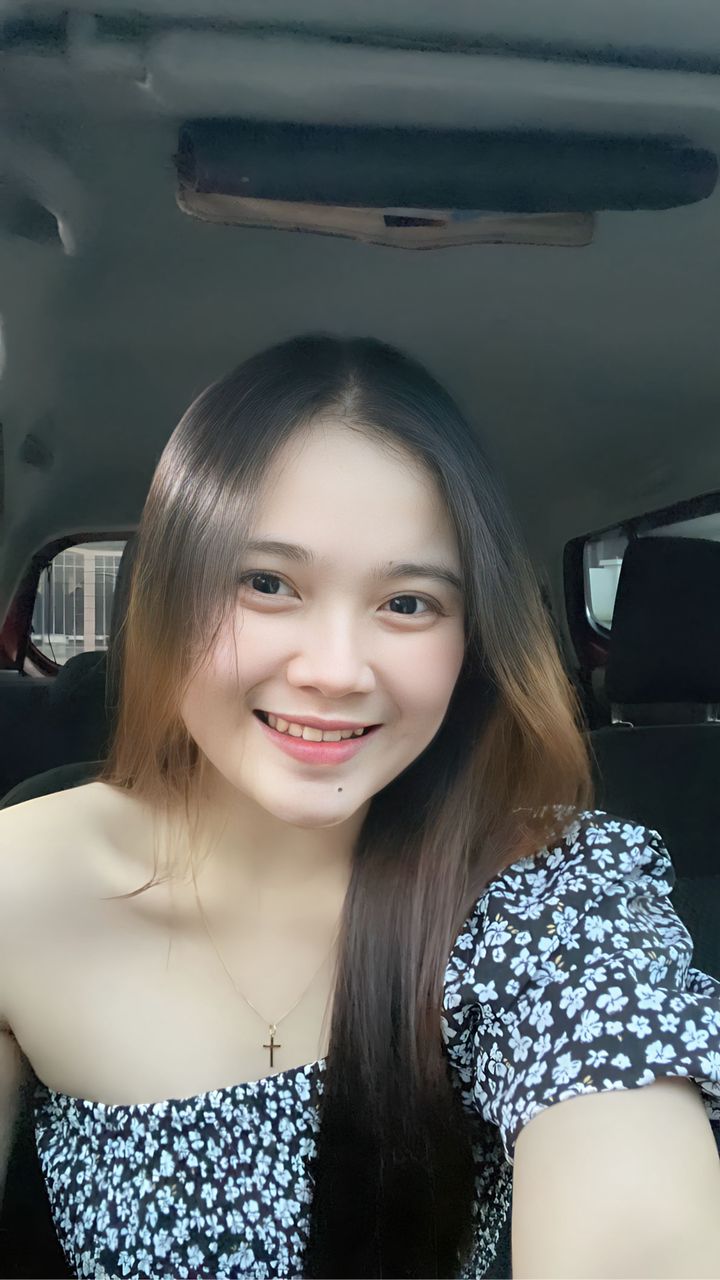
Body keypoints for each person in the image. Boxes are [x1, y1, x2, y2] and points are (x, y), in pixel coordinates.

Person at [0, 333, 718, 1280]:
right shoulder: (21, 883)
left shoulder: (546, 890)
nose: (336, 671)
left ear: (471, 638)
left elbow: (637, 1212)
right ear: (167, 599)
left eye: (408, 603)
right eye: (267, 584)